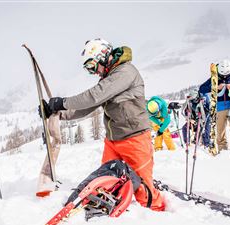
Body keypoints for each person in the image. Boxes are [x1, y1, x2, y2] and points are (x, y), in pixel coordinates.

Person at [42, 38, 165, 211]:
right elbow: (89, 106)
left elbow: (94, 96)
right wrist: (57, 113)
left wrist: (62, 102)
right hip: (113, 142)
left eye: (92, 66)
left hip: (135, 139)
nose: (93, 72)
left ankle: (160, 216)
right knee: (107, 183)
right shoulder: (108, 80)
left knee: (143, 190)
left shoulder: (125, 72)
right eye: (88, 69)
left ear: (102, 56)